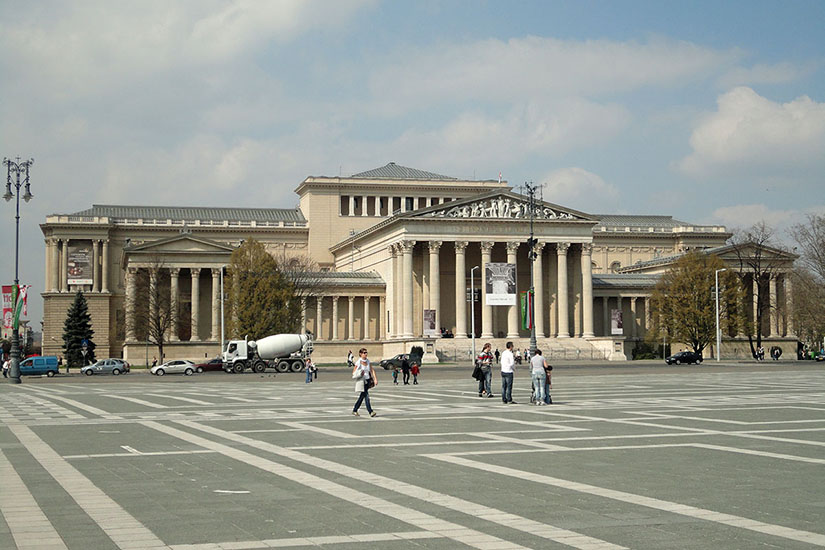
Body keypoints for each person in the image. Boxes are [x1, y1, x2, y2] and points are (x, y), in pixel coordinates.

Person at [352, 348, 377, 417]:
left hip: (368, 381)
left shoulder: (368, 361)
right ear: (360, 354)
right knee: (366, 396)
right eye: (364, 353)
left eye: (366, 352)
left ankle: (355, 410)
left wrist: (375, 379)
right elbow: (353, 372)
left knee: (362, 397)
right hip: (362, 381)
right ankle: (370, 411)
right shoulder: (358, 362)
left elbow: (372, 370)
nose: (366, 354)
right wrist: (360, 373)